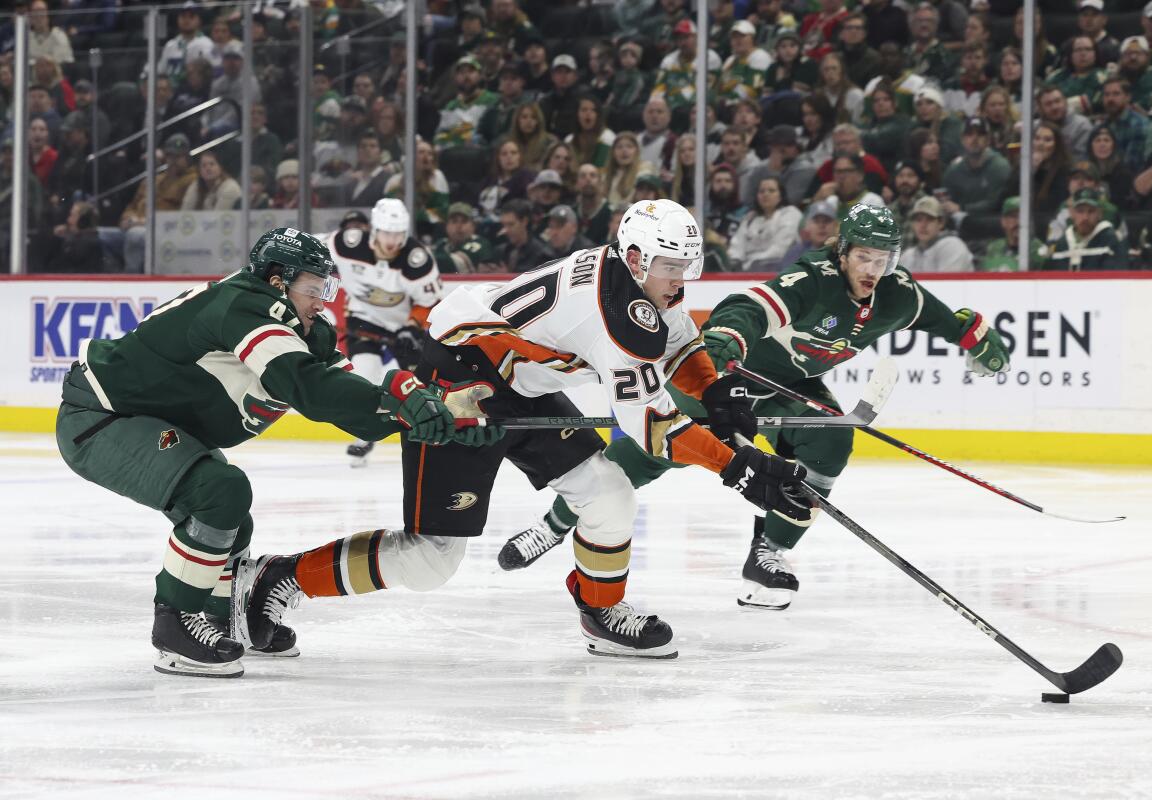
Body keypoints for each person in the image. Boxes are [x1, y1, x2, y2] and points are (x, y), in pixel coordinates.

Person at [235, 200, 812, 659]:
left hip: (519, 384)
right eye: (671, 266)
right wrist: (739, 470)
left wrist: (714, 390)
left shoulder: (639, 282)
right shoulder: (615, 315)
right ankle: (280, 577)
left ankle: (601, 610)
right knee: (431, 558)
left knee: (609, 494)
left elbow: (681, 341)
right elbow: (655, 428)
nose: (681, 278)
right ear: (636, 259)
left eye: (689, 265)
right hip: (460, 375)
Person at [498, 203, 1011, 612]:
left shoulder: (898, 297)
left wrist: (977, 339)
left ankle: (770, 551)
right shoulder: (814, 280)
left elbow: (947, 320)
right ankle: (556, 523)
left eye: (884, 260)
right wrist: (724, 344)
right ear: (842, 252)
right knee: (639, 457)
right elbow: (747, 308)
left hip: (791, 384)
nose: (873, 270)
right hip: (732, 379)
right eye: (864, 258)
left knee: (832, 439)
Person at [54, 228, 489, 678]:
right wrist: (399, 398)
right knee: (219, 493)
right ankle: (174, 627)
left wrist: (434, 412)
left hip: (149, 420)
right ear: (278, 280)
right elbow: (308, 388)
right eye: (312, 289)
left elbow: (354, 405)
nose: (322, 302)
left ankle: (229, 617)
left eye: (326, 289)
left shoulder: (304, 326)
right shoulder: (246, 304)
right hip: (100, 416)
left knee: (229, 515)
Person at [325, 199, 444, 467]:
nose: (392, 242)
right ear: (374, 231)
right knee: (365, 378)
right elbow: (314, 247)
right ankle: (365, 435)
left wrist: (413, 326)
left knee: (416, 383)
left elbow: (431, 302)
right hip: (363, 320)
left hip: (404, 327)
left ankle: (426, 433)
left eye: (398, 235)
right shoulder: (348, 244)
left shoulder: (417, 260)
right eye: (387, 234)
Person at [120, 133, 197, 273]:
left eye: (178, 157)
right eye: (170, 156)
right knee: (101, 235)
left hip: (164, 230)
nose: (173, 161)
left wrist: (145, 222)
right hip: (135, 224)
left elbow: (181, 214)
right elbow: (132, 205)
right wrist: (128, 218)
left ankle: (130, 279)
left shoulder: (192, 181)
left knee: (134, 236)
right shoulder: (154, 180)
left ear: (187, 157)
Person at [727, 176, 803, 271]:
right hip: (745, 270)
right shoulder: (750, 217)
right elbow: (737, 246)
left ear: (781, 195)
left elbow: (779, 250)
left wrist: (751, 264)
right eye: (761, 191)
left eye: (771, 191)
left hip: (777, 269)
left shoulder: (790, 214)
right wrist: (735, 262)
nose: (765, 194)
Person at [941, 117, 1011, 218]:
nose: (975, 139)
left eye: (980, 134)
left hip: (992, 224)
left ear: (988, 140)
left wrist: (962, 208)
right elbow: (946, 202)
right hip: (960, 226)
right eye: (969, 134)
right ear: (962, 139)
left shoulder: (1000, 167)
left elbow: (996, 203)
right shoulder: (954, 169)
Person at [435, 55, 498, 150]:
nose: (466, 76)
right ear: (455, 77)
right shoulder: (451, 106)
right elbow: (441, 137)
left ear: (480, 75)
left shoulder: (493, 100)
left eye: (471, 71)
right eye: (461, 72)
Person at [745, 124, 817, 207]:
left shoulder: (805, 169)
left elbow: (789, 201)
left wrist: (774, 171)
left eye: (787, 145)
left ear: (796, 147)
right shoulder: (759, 168)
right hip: (759, 215)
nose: (781, 150)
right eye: (776, 145)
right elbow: (747, 201)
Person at [899, 196, 973, 272]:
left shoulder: (953, 246)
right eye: (918, 220)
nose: (923, 225)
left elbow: (947, 283)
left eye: (929, 219)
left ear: (941, 223)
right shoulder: (908, 256)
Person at [979, 197, 1046, 272]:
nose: (1019, 222)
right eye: (1014, 217)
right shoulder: (994, 248)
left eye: (1024, 216)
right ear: (1003, 221)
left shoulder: (1038, 250)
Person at [433, 202, 500, 274]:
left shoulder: (481, 243)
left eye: (464, 221)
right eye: (454, 221)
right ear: (447, 226)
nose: (459, 226)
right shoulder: (441, 243)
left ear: (473, 226)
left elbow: (456, 263)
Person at [1036, 86, 1093, 163]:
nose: (1054, 107)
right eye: (1048, 104)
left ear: (1065, 102)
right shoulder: (1035, 128)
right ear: (1040, 108)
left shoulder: (1082, 125)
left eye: (1057, 101)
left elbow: (1081, 161)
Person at [496, 198, 554, 272]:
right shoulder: (501, 252)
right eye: (504, 225)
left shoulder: (542, 255)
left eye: (511, 224)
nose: (506, 230)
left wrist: (507, 276)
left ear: (524, 221)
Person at [575, 163, 613, 246]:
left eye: (592, 175)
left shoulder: (610, 214)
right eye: (583, 176)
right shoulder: (572, 211)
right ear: (577, 183)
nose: (588, 179)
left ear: (600, 182)